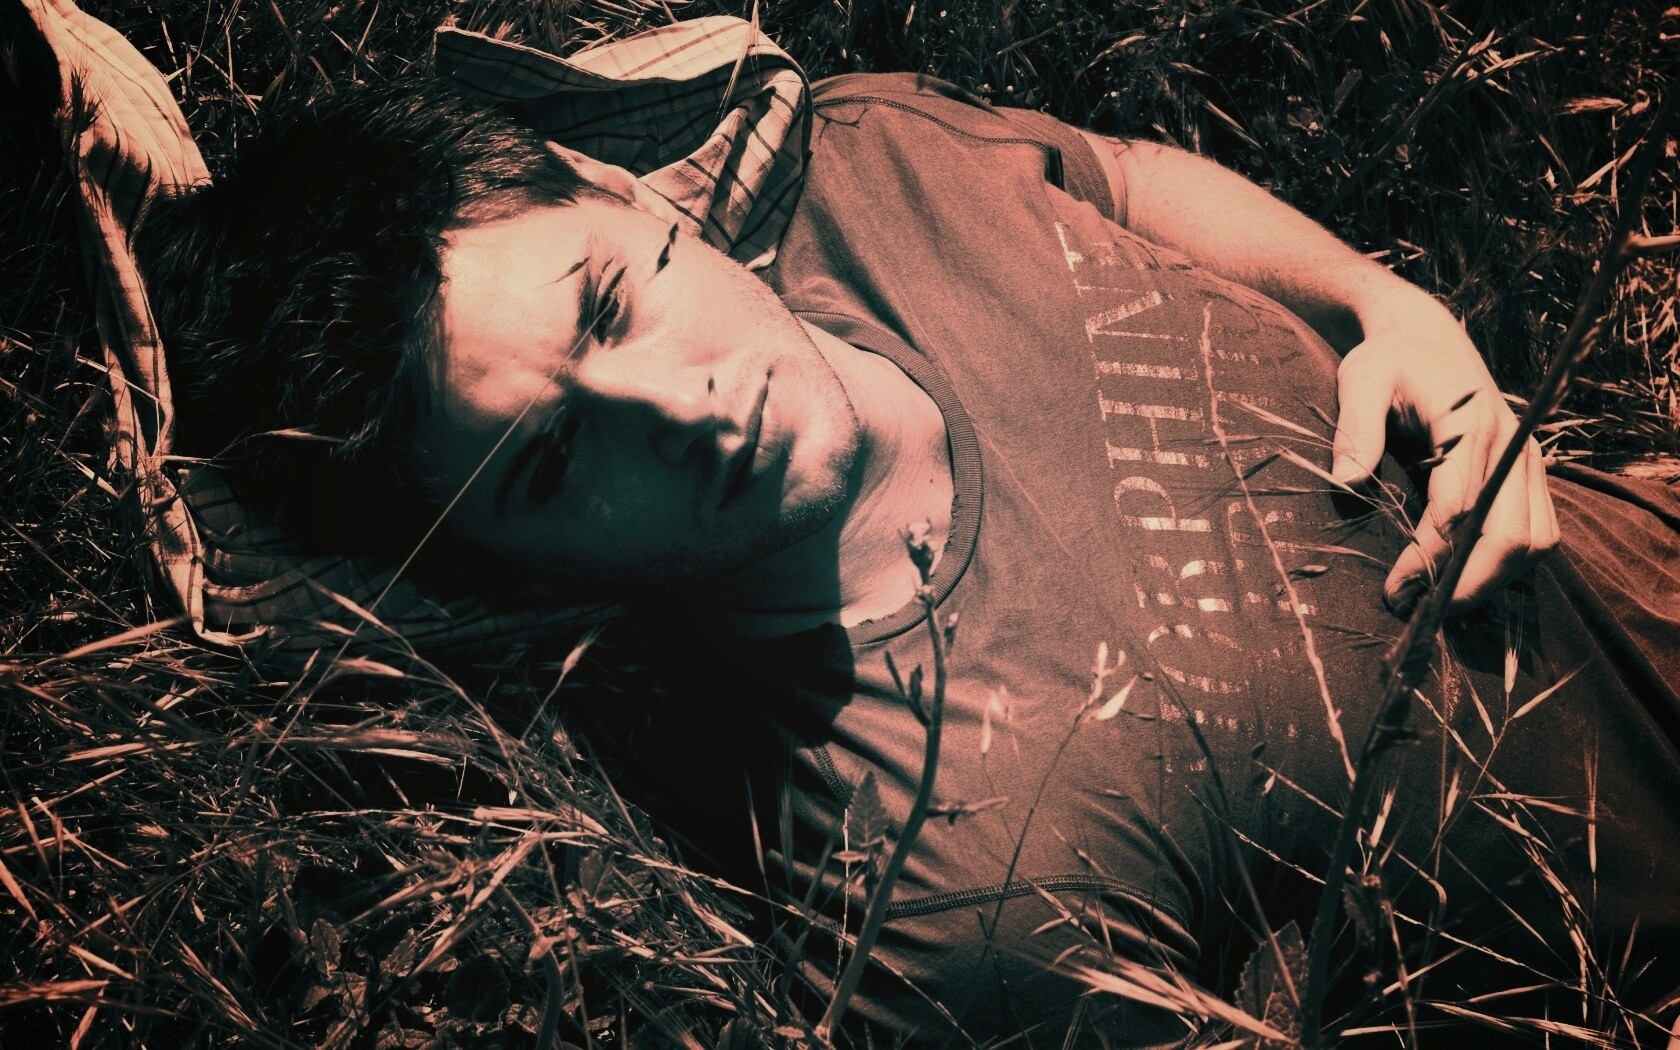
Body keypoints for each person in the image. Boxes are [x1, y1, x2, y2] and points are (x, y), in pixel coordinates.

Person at [136, 71, 1680, 1047]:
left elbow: (1120, 175)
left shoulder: (874, 166)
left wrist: (1381, 305)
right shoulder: (933, 907)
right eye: (552, 463)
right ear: (508, 566)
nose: (677, 411)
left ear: (614, 190)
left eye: (608, 304)